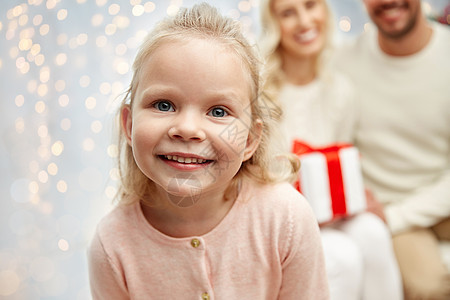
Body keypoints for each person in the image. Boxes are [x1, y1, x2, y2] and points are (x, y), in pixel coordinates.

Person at [87, 3, 329, 299]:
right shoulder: (111, 244)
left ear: (251, 139)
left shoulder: (286, 218)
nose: (187, 129)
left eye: (217, 111)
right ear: (128, 123)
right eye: (164, 104)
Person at [258, 0, 403, 299]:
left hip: (329, 213)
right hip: (280, 218)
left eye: (310, 5)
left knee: (373, 231)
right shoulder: (261, 94)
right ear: (274, 25)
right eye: (288, 13)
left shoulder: (340, 90)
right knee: (343, 254)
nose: (303, 21)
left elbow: (338, 164)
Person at [334, 0, 450, 299]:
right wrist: (390, 216)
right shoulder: (344, 61)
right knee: (429, 289)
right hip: (390, 208)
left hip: (439, 198)